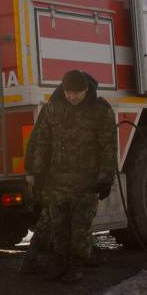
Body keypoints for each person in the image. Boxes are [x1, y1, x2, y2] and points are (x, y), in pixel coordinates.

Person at [23, 70, 117, 283]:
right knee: (59, 228)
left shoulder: (100, 111)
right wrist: (35, 172)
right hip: (57, 182)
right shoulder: (52, 108)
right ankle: (60, 264)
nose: (72, 97)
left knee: (80, 229)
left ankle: (77, 266)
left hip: (86, 182)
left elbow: (108, 147)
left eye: (77, 93)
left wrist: (105, 178)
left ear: (86, 90)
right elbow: (40, 142)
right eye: (68, 93)